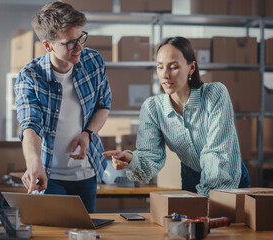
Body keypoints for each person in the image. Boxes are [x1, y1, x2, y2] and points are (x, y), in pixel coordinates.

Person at [103, 37, 250, 197]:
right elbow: (151, 155)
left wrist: (206, 198)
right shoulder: (152, 108)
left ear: (191, 67)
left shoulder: (214, 94)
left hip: (227, 176)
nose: (165, 75)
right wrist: (131, 160)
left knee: (223, 222)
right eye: (160, 67)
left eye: (173, 67)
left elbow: (216, 152)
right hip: (190, 178)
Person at [15, 2, 111, 213]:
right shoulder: (30, 76)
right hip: (50, 175)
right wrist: (33, 162)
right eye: (69, 43)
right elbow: (30, 124)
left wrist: (87, 134)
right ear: (48, 45)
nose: (79, 48)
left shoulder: (93, 61)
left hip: (88, 171)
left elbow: (104, 105)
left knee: (86, 232)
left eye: (81, 38)